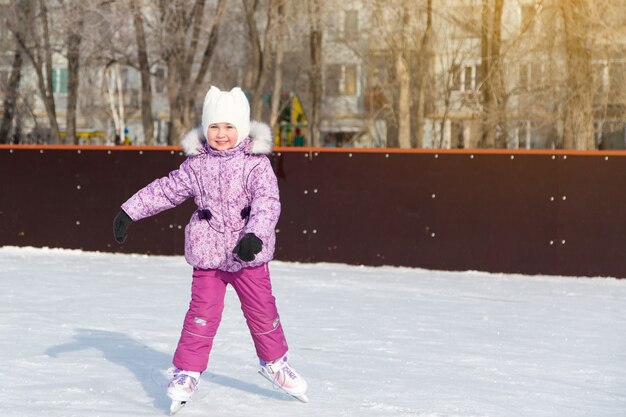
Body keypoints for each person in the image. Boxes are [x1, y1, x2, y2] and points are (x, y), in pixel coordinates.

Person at [112, 86, 308, 412]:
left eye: (229, 127)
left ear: (242, 128)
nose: (221, 134)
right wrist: (130, 210)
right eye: (214, 127)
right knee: (201, 315)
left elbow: (267, 203)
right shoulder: (196, 166)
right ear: (206, 128)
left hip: (248, 254)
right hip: (208, 254)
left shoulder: (256, 165)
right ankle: (187, 370)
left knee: (263, 310)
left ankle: (274, 363)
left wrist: (255, 235)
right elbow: (166, 190)